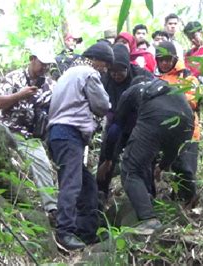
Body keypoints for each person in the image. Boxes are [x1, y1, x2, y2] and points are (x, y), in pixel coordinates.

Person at [47, 42, 113, 250]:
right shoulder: (88, 73)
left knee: (86, 185)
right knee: (72, 183)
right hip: (69, 134)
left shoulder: (68, 74)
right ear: (97, 59)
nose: (106, 69)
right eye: (105, 64)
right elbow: (102, 105)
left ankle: (84, 231)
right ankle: (64, 232)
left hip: (57, 134)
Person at [116, 78, 194, 235]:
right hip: (187, 121)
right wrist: (162, 166)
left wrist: (115, 151)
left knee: (130, 170)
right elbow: (173, 150)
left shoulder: (134, 90)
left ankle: (148, 220)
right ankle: (182, 202)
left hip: (155, 117)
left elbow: (118, 121)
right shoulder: (166, 89)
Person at [0, 42, 58, 225]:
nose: (44, 68)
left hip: (29, 136)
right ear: (32, 59)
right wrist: (19, 95)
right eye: (41, 63)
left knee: (42, 163)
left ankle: (52, 209)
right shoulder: (14, 78)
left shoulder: (51, 86)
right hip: (5, 127)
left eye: (47, 65)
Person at [96, 44, 154, 203]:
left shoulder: (141, 75)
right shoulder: (104, 79)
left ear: (128, 67)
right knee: (107, 156)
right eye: (112, 71)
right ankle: (100, 195)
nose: (116, 75)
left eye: (120, 71)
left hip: (139, 124)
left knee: (143, 160)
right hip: (116, 121)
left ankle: (148, 195)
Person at [155, 41, 201, 208]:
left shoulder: (188, 78)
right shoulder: (156, 80)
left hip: (188, 131)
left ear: (175, 59)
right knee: (172, 167)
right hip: (165, 132)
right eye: (161, 60)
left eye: (168, 59)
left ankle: (190, 202)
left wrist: (169, 97)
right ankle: (177, 204)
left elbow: (192, 102)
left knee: (186, 168)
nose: (165, 63)